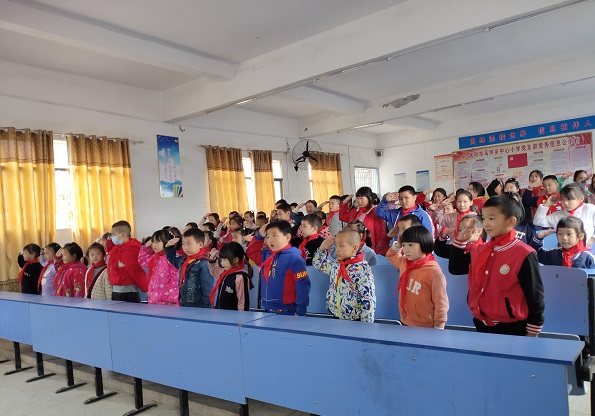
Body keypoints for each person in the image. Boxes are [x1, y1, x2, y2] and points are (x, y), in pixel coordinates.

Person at [449, 194, 545, 337]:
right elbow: (455, 268)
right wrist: (460, 241)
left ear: (511, 221)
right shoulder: (479, 249)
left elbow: (535, 297)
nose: (486, 223)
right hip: (482, 321)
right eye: (484, 218)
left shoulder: (524, 253)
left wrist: (533, 331)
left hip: (513, 327)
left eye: (492, 218)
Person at [386, 226, 449, 328]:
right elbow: (391, 255)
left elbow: (441, 304)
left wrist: (439, 327)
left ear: (424, 244)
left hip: (426, 327)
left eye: (411, 245)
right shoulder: (404, 262)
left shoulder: (434, 272)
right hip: (405, 320)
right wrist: (398, 244)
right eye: (404, 245)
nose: (406, 250)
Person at [246, 221, 311, 316]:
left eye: (274, 235)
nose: (270, 240)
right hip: (267, 309)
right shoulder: (266, 255)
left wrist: (300, 310)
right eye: (267, 236)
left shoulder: (294, 258)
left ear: (287, 237)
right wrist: (259, 236)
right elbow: (251, 252)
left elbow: (302, 285)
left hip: (288, 312)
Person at [312, 228, 376, 322]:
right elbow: (318, 264)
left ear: (354, 248)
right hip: (335, 317)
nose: (337, 250)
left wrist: (366, 324)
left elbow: (368, 298)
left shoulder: (362, 270)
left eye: (341, 246)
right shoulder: (335, 265)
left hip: (355, 321)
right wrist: (321, 249)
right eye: (336, 245)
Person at [534, 183, 595, 247]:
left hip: (586, 249)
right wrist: (547, 205)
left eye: (569, 199)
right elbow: (538, 221)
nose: (565, 203)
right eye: (562, 199)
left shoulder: (589, 209)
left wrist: (593, 239)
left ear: (581, 199)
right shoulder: (558, 215)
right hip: (563, 250)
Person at [165, 227, 213, 308]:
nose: (186, 247)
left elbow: (208, 289)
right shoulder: (183, 260)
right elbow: (171, 258)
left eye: (189, 244)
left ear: (200, 245)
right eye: (183, 244)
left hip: (198, 307)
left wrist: (207, 308)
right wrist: (168, 246)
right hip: (184, 303)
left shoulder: (204, 264)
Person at [106, 220, 149, 302]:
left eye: (113, 234)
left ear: (123, 235)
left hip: (127, 293)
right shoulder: (116, 248)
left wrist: (147, 288)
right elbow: (108, 249)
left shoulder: (130, 251)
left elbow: (135, 271)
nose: (111, 237)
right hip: (116, 290)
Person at [339, 187, 389, 255]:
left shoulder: (375, 211)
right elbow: (342, 217)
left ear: (370, 198)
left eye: (362, 198)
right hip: (354, 245)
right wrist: (344, 203)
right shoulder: (355, 211)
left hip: (369, 247)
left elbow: (380, 234)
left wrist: (379, 250)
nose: (359, 201)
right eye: (357, 198)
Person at [530, 217, 595, 268]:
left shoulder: (588, 257)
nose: (564, 237)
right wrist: (538, 238)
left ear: (581, 236)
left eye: (569, 234)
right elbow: (534, 255)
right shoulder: (554, 253)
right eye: (560, 234)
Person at [139, 229, 179, 305]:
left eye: (157, 242)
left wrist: (173, 300)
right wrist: (146, 246)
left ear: (167, 242)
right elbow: (142, 260)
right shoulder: (154, 257)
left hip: (167, 302)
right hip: (153, 299)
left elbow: (176, 280)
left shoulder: (172, 259)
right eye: (153, 242)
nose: (154, 245)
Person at [208, 242, 253, 311]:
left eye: (225, 260)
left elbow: (243, 302)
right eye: (221, 259)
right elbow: (214, 270)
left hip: (233, 316)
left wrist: (242, 316)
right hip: (220, 313)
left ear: (235, 260)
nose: (222, 263)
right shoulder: (224, 272)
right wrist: (212, 259)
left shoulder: (240, 277)